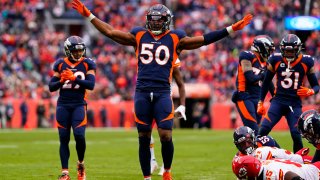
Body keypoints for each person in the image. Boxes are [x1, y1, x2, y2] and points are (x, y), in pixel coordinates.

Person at [72, 1, 252, 180]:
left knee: (166, 135)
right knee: (143, 136)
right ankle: (147, 177)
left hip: (162, 92)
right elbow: (110, 32)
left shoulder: (176, 38)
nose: (156, 23)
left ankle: (167, 171)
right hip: (142, 91)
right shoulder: (139, 35)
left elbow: (203, 40)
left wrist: (230, 29)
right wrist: (89, 15)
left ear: (166, 21)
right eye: (153, 19)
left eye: (159, 20)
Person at [257, 34, 319, 153]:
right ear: (282, 49)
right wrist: (261, 101)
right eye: (287, 51)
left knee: (296, 135)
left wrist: (310, 91)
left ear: (298, 49)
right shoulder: (275, 59)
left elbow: (316, 86)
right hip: (278, 101)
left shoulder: (306, 61)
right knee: (263, 130)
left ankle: (300, 162)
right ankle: (259, 156)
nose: (289, 54)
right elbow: (266, 82)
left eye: (292, 51)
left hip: (294, 104)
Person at [48, 35, 96, 180]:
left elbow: (91, 85)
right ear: (68, 51)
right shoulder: (60, 64)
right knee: (64, 138)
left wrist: (74, 78)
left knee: (79, 136)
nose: (78, 54)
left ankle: (81, 164)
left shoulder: (88, 63)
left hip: (79, 104)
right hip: (63, 104)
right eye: (75, 51)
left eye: (80, 51)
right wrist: (61, 81)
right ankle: (65, 173)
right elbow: (51, 87)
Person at [231, 35, 275, 133]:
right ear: (262, 48)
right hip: (244, 96)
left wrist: (276, 97)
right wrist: (264, 74)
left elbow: (269, 83)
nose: (270, 52)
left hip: (258, 98)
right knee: (253, 130)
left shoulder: (266, 64)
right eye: (269, 49)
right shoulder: (247, 56)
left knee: (258, 132)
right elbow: (250, 78)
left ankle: (253, 148)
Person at [152, 64, 187, 176]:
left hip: (164, 99)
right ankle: (152, 160)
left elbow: (180, 83)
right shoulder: (147, 53)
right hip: (147, 97)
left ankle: (165, 165)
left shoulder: (171, 55)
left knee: (165, 136)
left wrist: (183, 105)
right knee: (145, 132)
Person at [233, 126, 312, 164]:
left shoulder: (266, 142)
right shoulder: (240, 158)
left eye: (248, 141)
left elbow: (282, 156)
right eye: (242, 144)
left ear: (253, 138)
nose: (246, 145)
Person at [232, 155, 320, 180]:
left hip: (316, 174)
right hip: (312, 168)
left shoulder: (271, 175)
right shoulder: (261, 165)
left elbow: (290, 175)